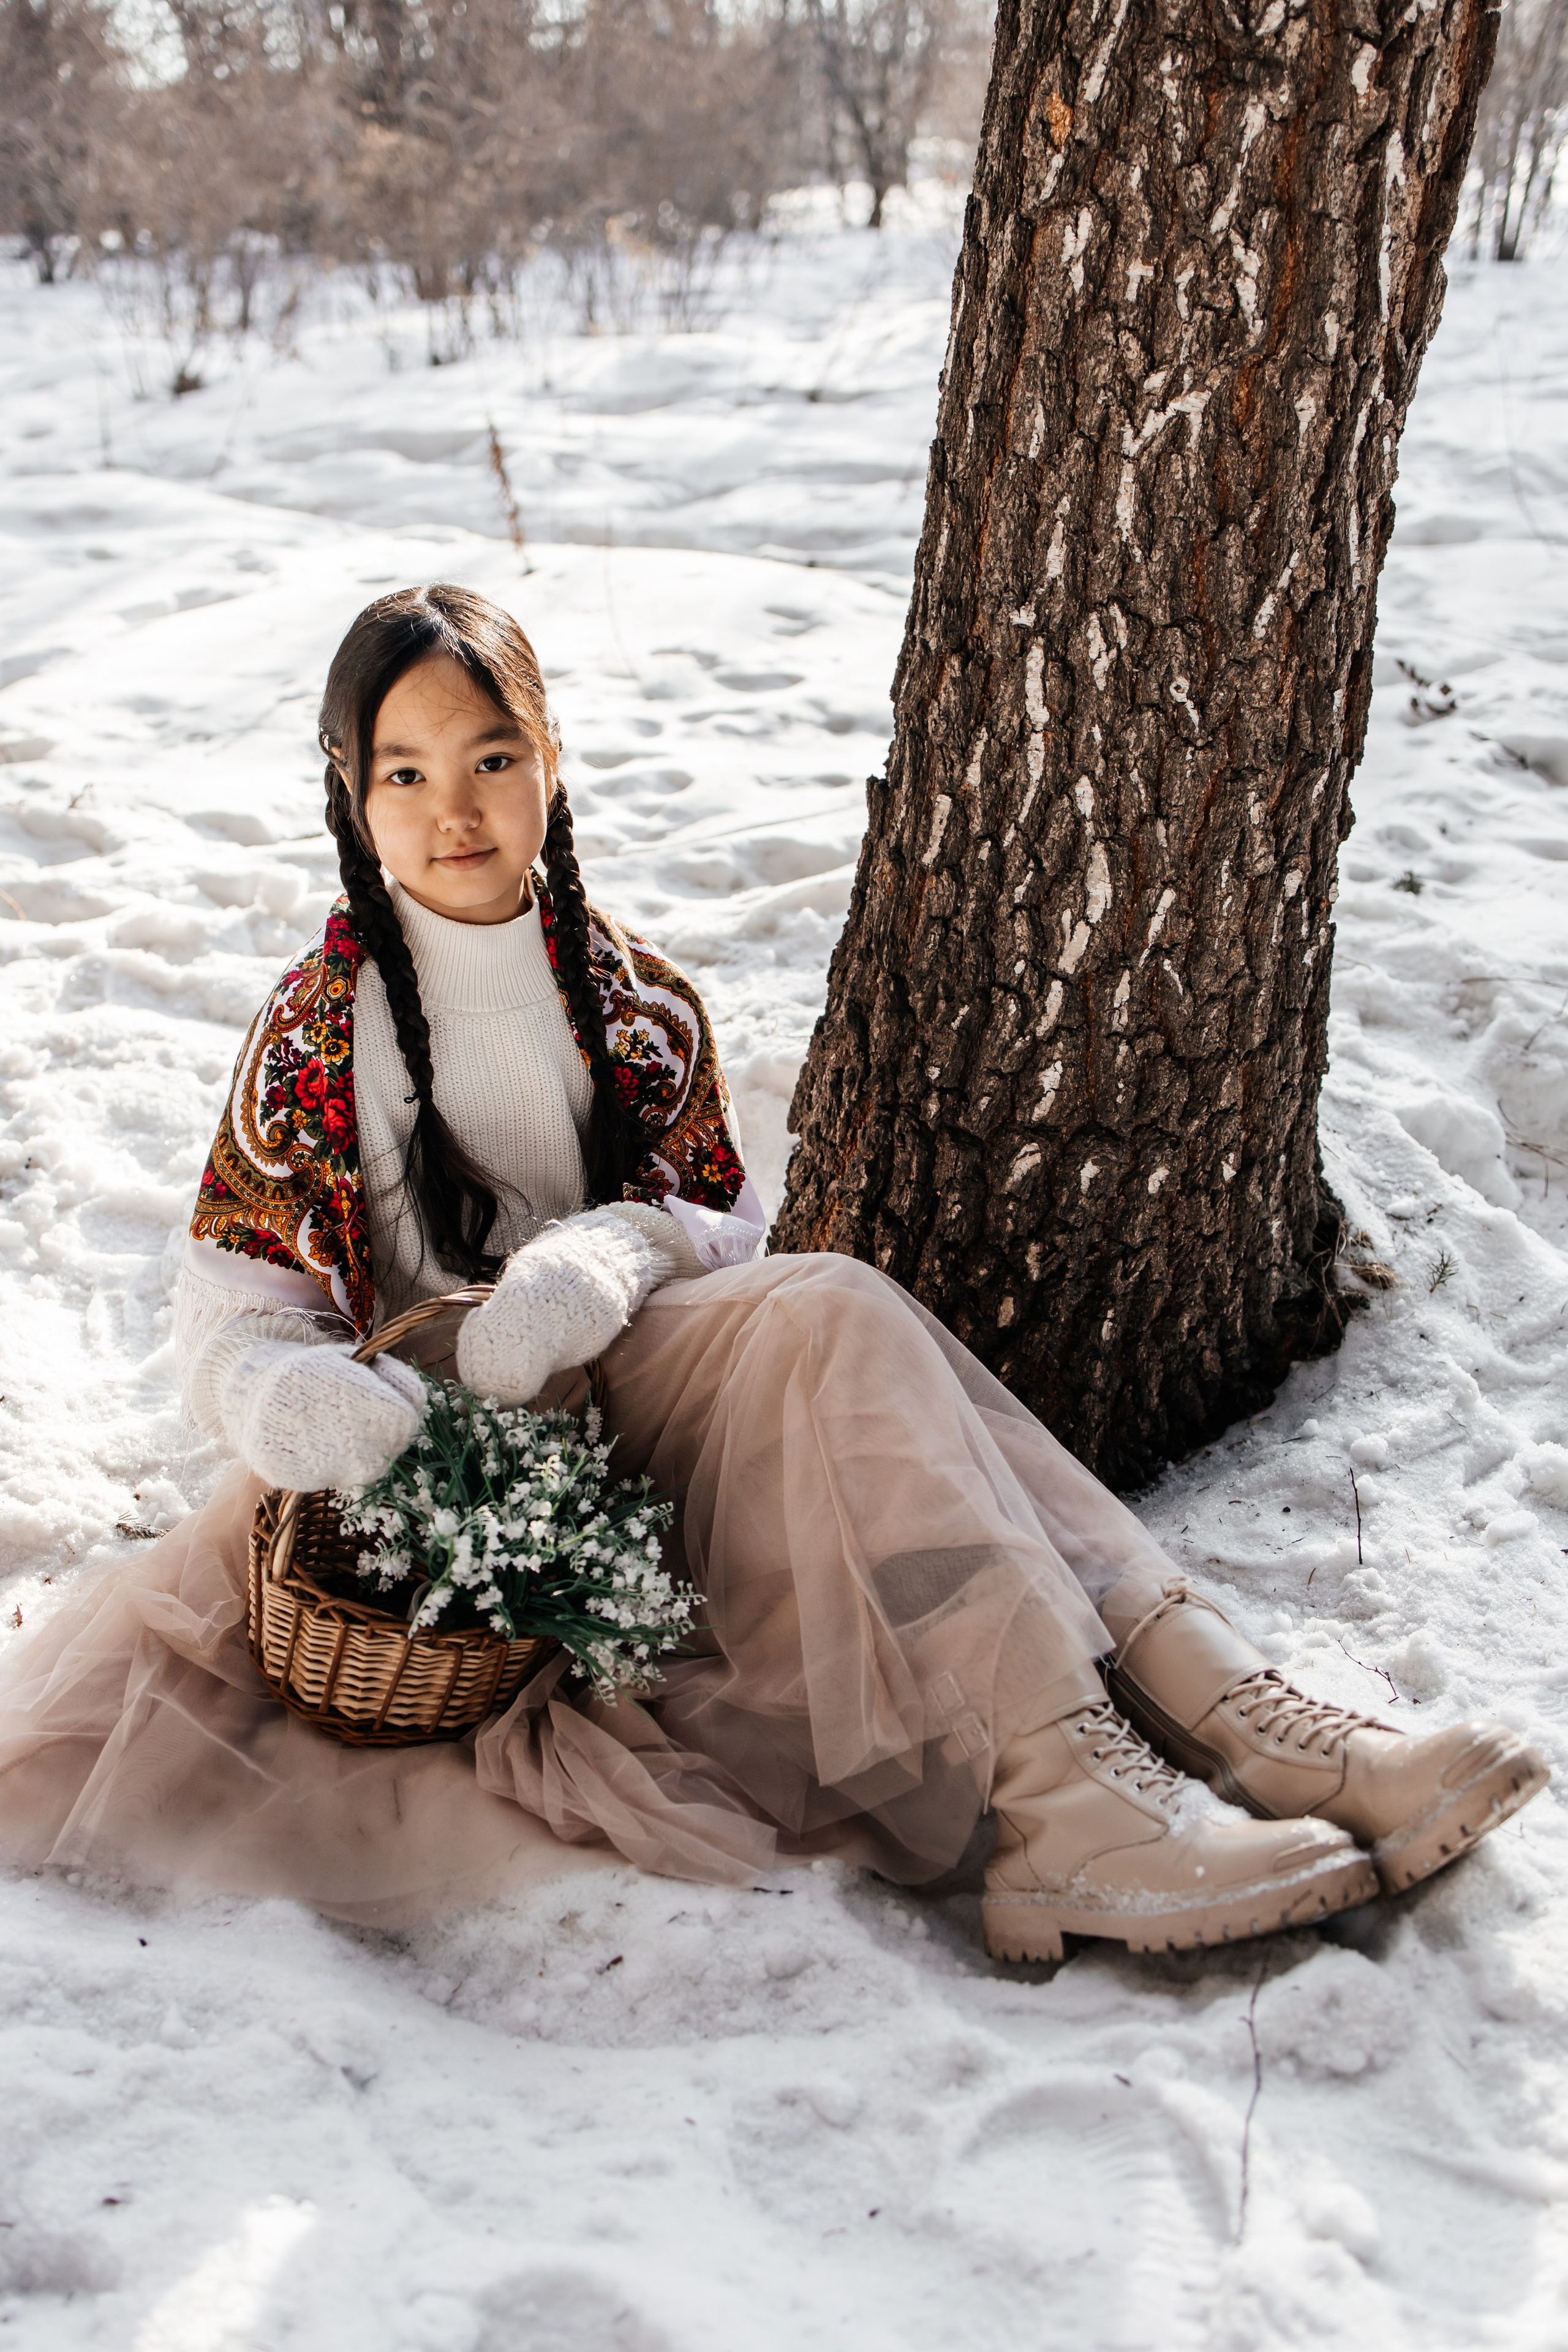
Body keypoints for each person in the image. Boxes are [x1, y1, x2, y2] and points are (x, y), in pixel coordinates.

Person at [0, 585, 1546, 1959]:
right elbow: (232, 1309)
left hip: (633, 1397)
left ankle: (1190, 1741)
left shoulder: (634, 1001)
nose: (454, 809)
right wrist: (302, 1406)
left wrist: (611, 1250)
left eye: (491, 759)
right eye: (403, 773)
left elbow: (720, 1226)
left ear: (550, 761)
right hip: (435, 1463)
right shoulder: (314, 1031)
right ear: (350, 796)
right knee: (844, 1318)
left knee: (839, 1318)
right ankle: (1118, 1764)